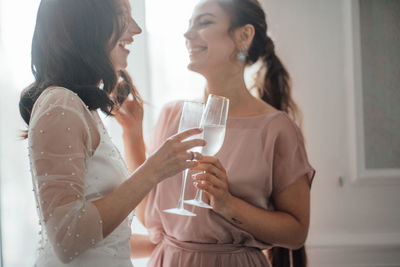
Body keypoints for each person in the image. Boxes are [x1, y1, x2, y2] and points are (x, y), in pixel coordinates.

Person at [127, 0, 315, 266]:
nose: (187, 35)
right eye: (189, 25)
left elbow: (296, 234)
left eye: (204, 22)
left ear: (244, 36)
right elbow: (150, 216)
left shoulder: (276, 129)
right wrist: (131, 134)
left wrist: (229, 204)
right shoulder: (172, 116)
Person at [18, 0, 205, 266]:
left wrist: (166, 243)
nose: (136, 29)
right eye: (122, 15)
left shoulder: (80, 107)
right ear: (87, 26)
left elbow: (104, 240)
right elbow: (67, 237)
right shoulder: (60, 104)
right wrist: (153, 170)